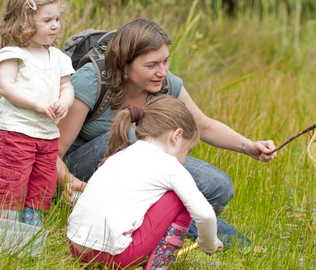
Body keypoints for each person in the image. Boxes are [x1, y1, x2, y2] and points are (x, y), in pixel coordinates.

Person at [57, 18, 276, 237]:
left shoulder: (165, 84)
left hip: (140, 172)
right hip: (81, 171)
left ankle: (159, 219)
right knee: (133, 138)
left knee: (219, 185)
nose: (162, 71)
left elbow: (205, 126)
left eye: (165, 61)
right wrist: (71, 184)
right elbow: (51, 151)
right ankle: (211, 233)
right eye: (152, 65)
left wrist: (249, 146)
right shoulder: (92, 82)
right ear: (125, 66)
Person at [67, 95, 223, 269]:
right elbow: (205, 214)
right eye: (188, 150)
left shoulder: (120, 154)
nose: (185, 159)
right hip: (114, 257)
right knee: (180, 198)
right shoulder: (169, 165)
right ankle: (157, 266)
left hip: (76, 247)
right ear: (177, 136)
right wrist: (209, 244)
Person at [0, 0, 75, 226]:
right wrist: (37, 103)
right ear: (24, 22)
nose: (55, 26)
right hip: (17, 132)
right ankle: (7, 225)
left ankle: (31, 227)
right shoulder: (13, 54)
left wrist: (64, 102)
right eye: (47, 20)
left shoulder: (58, 57)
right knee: (14, 179)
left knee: (42, 182)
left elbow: (66, 87)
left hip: (47, 136)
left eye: (57, 19)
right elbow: (5, 86)